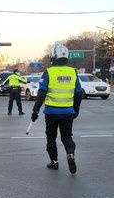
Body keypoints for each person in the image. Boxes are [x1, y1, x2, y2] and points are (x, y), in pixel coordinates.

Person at [31, 42, 84, 174]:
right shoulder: (73, 72)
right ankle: (70, 154)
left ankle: (54, 162)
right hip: (68, 112)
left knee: (51, 137)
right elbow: (79, 93)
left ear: (53, 57)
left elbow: (42, 92)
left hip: (51, 112)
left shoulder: (48, 72)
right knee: (67, 137)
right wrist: (76, 110)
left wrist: (35, 110)